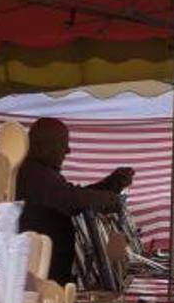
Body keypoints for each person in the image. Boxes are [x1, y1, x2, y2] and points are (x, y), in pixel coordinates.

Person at [12, 117, 135, 286]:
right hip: (37, 275)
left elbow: (73, 196)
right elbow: (70, 198)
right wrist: (108, 197)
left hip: (45, 270)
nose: (67, 151)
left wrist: (111, 184)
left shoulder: (42, 172)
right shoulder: (33, 173)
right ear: (45, 145)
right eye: (63, 144)